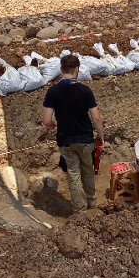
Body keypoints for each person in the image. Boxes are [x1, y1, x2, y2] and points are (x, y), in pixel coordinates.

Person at [42, 55, 104, 211]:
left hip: (66, 140)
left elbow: (46, 120)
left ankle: (80, 208)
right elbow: (96, 118)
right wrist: (101, 137)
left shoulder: (53, 92)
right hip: (85, 139)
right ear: (77, 69)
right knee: (88, 171)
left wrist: (53, 125)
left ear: (61, 69)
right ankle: (91, 203)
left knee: (73, 173)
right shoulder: (85, 91)